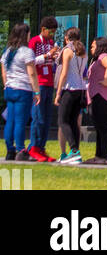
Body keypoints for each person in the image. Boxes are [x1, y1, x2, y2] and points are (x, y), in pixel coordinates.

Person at [1, 23, 39, 162]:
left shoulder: (7, 51)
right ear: (25, 34)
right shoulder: (26, 52)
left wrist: (7, 86)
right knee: (20, 121)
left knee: (10, 120)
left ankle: (10, 150)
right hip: (23, 90)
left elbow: (4, 73)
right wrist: (37, 92)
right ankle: (21, 150)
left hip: (10, 89)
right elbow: (32, 74)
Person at [27, 15, 60, 162]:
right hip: (38, 83)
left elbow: (50, 63)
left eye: (54, 32)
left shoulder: (51, 42)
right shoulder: (34, 42)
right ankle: (33, 148)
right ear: (43, 29)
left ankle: (41, 147)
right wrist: (47, 55)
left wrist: (54, 58)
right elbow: (30, 62)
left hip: (49, 83)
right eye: (50, 32)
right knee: (38, 117)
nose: (52, 35)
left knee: (47, 119)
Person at [53, 27, 87, 164]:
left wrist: (58, 93)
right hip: (80, 89)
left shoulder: (67, 50)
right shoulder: (82, 51)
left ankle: (73, 150)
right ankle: (76, 152)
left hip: (69, 89)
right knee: (73, 122)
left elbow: (64, 73)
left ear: (67, 38)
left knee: (62, 121)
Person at [85, 37, 107, 165]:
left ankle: (104, 157)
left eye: (93, 46)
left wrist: (106, 80)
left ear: (100, 46)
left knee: (103, 127)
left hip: (102, 97)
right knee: (99, 127)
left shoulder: (103, 56)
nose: (91, 48)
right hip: (97, 96)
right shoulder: (97, 59)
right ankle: (99, 156)